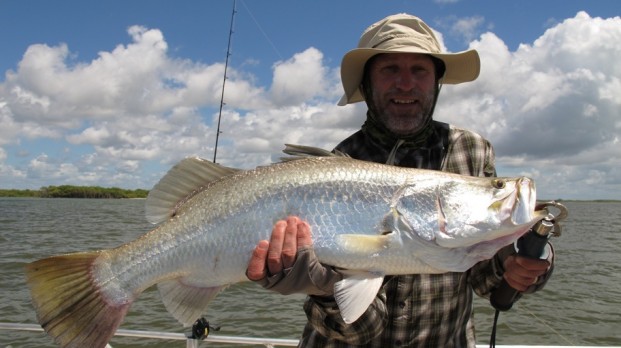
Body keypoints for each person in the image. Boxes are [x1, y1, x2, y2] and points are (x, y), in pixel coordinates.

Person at [246, 13, 554, 347]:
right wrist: (322, 288)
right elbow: (356, 330)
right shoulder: (336, 164)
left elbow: (485, 280)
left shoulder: (472, 151)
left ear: (436, 81)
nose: (405, 84)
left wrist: (523, 263)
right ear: (366, 84)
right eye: (390, 69)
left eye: (419, 70)